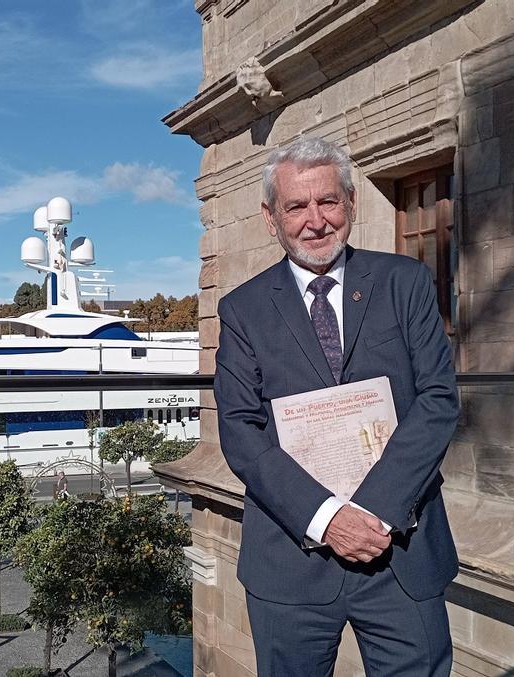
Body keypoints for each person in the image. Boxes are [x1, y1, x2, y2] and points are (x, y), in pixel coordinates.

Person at [214, 136, 459, 676]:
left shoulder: (405, 282)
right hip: (290, 559)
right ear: (270, 218)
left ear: (351, 202)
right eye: (296, 206)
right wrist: (327, 519)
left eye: (328, 201)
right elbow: (240, 430)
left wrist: (371, 512)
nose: (315, 220)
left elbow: (438, 399)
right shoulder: (243, 310)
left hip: (400, 551)